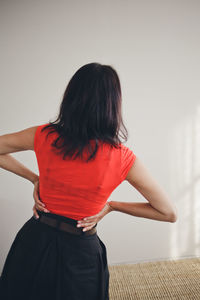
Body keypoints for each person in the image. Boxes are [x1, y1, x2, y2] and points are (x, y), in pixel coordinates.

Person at [0, 62, 178, 300]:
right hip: (81, 251)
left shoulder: (43, 135)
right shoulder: (123, 157)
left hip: (34, 241)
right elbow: (168, 213)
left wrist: (34, 179)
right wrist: (112, 206)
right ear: (113, 104)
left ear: (71, 97)